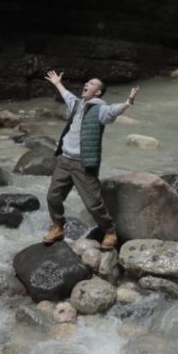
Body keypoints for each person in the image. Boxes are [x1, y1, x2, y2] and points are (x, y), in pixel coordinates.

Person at [43, 70, 139, 251]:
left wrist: (128, 102)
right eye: (87, 82)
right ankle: (58, 227)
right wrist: (57, 83)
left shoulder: (100, 110)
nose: (87, 84)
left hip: (83, 164)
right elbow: (67, 96)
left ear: (98, 92)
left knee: (93, 203)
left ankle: (110, 232)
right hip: (64, 160)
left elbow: (113, 111)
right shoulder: (78, 104)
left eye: (92, 83)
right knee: (53, 196)